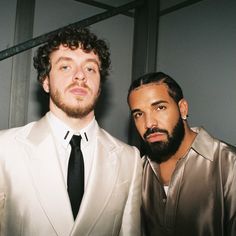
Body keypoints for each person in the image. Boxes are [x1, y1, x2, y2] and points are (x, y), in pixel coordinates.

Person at [0, 26, 142, 236]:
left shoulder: (129, 160)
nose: (80, 76)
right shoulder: (4, 149)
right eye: (66, 67)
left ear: (100, 84)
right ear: (46, 81)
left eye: (90, 68)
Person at [127, 71, 236, 236]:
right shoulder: (137, 170)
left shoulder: (229, 165)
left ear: (182, 108)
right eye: (139, 114)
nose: (149, 123)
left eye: (160, 107)